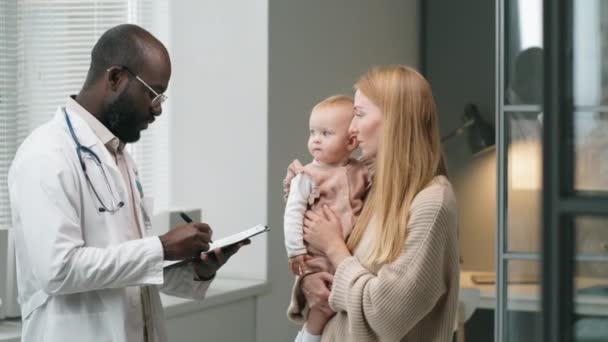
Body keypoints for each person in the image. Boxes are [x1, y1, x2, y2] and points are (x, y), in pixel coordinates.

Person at [7, 24, 248, 342]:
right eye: (152, 92)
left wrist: (196, 269)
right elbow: (58, 270)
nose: (158, 108)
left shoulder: (119, 157)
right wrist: (161, 247)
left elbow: (132, 270)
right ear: (116, 78)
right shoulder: (45, 154)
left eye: (162, 96)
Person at [288, 65, 460, 341]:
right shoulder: (373, 189)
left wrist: (333, 247)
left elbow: (386, 314)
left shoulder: (432, 203)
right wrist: (310, 278)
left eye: (359, 114)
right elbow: (338, 277)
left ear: (395, 120)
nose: (351, 130)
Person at [282, 95, 369, 341]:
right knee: (322, 303)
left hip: (348, 250)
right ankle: (309, 337)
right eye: (313, 132)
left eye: (326, 133)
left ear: (351, 140)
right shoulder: (308, 176)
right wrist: (295, 251)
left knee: (344, 301)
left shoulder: (361, 170)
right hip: (318, 253)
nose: (316, 140)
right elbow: (293, 213)